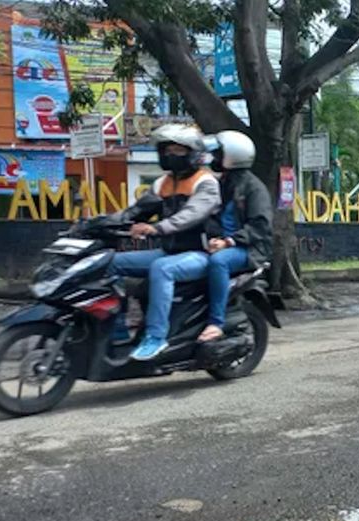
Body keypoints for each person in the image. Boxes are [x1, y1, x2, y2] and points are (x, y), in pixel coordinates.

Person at [109, 124, 220, 360]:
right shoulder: (163, 183)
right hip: (169, 251)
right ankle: (117, 329)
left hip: (200, 253)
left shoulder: (206, 183)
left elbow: (190, 215)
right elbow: (135, 211)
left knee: (162, 269)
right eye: (167, 150)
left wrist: (156, 228)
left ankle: (156, 337)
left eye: (178, 150)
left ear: (193, 153)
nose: (171, 155)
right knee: (110, 262)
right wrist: (99, 224)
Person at [198, 130, 274, 343]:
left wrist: (228, 241)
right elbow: (213, 217)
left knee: (218, 262)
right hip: (225, 245)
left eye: (218, 155)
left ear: (232, 156)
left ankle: (215, 322)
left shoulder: (253, 188)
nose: (214, 159)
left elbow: (260, 226)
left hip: (250, 249)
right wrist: (214, 238)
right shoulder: (223, 184)